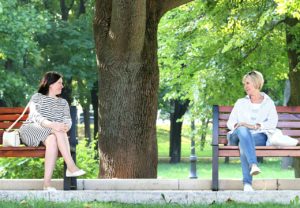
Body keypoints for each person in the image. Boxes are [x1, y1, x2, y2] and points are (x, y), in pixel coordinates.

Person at [20, 71, 85, 191]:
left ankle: (47, 184)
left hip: (51, 134)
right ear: (51, 84)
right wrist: (52, 125)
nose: (62, 85)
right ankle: (71, 166)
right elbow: (35, 116)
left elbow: (67, 120)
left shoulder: (63, 102)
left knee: (53, 138)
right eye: (59, 82)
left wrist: (65, 126)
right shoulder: (37, 97)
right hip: (31, 130)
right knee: (57, 131)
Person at [227, 70, 278, 192]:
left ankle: (247, 185)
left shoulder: (269, 103)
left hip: (258, 136)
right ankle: (253, 164)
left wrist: (254, 126)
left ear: (256, 83)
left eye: (247, 83)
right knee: (243, 132)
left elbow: (272, 123)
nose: (245, 86)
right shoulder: (240, 102)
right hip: (237, 135)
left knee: (244, 143)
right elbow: (230, 122)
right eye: (244, 84)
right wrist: (240, 125)